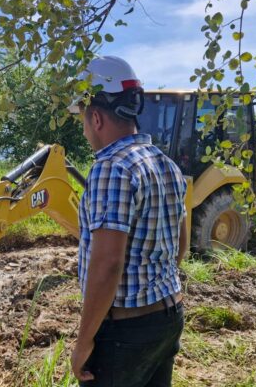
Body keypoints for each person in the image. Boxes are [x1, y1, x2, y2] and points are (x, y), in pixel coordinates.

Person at [68, 56, 188, 386]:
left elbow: (107, 265)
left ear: (95, 117)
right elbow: (181, 243)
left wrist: (82, 343)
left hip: (125, 332)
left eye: (82, 119)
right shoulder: (166, 164)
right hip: (169, 315)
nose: (84, 129)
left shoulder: (111, 167)